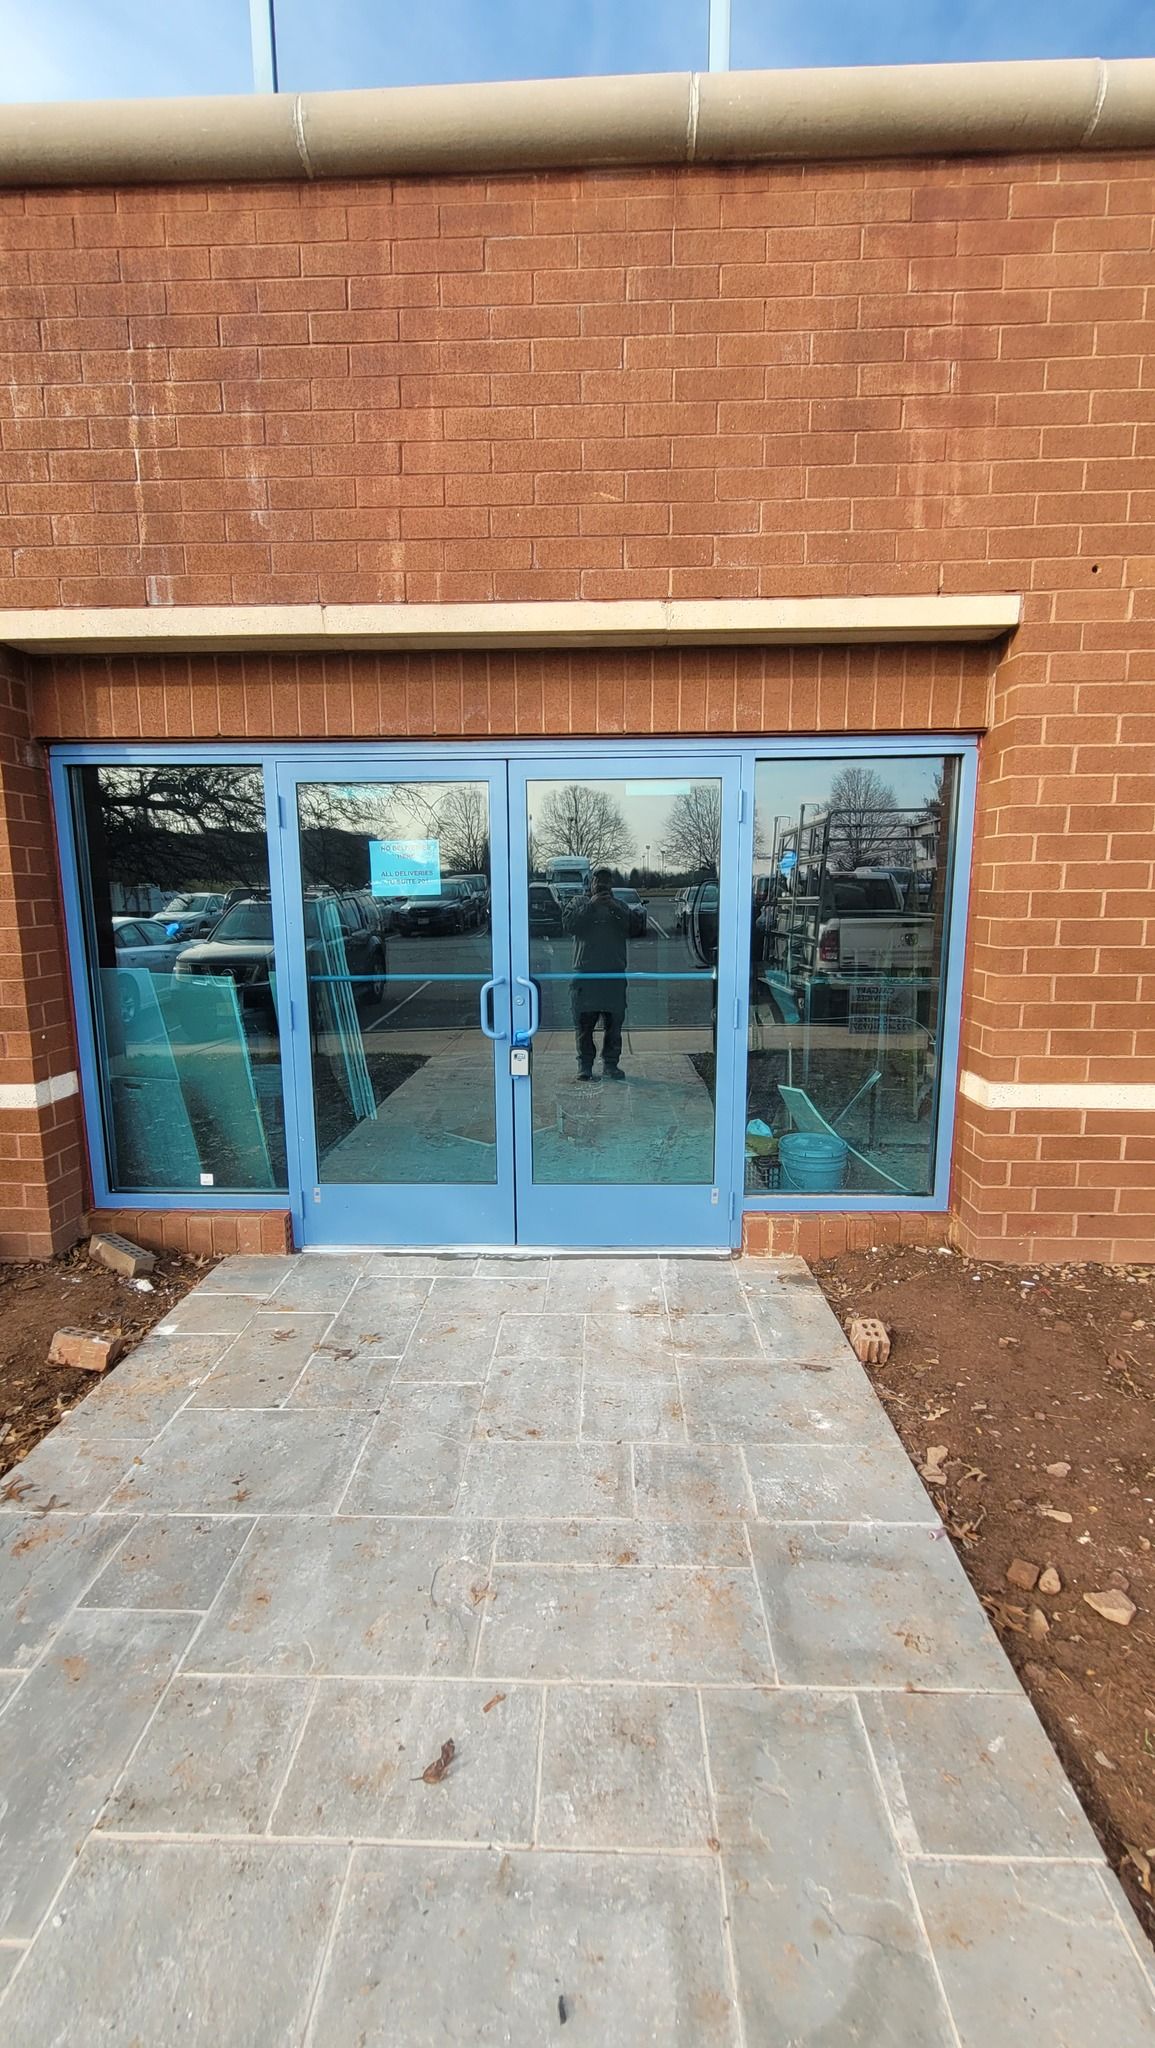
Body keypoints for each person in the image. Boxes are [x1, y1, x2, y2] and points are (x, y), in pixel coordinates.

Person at [563, 867, 630, 1080]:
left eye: (606, 882)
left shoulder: (620, 906)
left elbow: (635, 928)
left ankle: (611, 1064)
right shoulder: (578, 904)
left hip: (614, 975)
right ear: (589, 884)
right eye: (597, 882)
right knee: (583, 1025)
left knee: (614, 1026)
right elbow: (569, 925)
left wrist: (615, 908)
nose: (602, 886)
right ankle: (585, 1066)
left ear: (612, 886)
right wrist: (590, 907)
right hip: (585, 975)